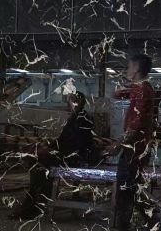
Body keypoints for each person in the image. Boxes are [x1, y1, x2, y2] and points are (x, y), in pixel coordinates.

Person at [98, 53, 158, 231]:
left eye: (129, 66)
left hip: (134, 150)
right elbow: (119, 94)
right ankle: (159, 223)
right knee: (130, 193)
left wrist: (118, 144)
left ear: (137, 69)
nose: (126, 70)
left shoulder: (143, 90)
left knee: (125, 196)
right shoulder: (142, 88)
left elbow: (135, 124)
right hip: (135, 149)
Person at [10, 91, 96, 220]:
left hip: (75, 158)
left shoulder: (81, 119)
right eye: (70, 101)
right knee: (39, 166)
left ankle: (35, 205)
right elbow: (65, 141)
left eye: (72, 101)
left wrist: (52, 148)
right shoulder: (76, 118)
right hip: (71, 155)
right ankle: (36, 203)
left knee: (39, 166)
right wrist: (49, 145)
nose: (70, 104)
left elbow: (75, 143)